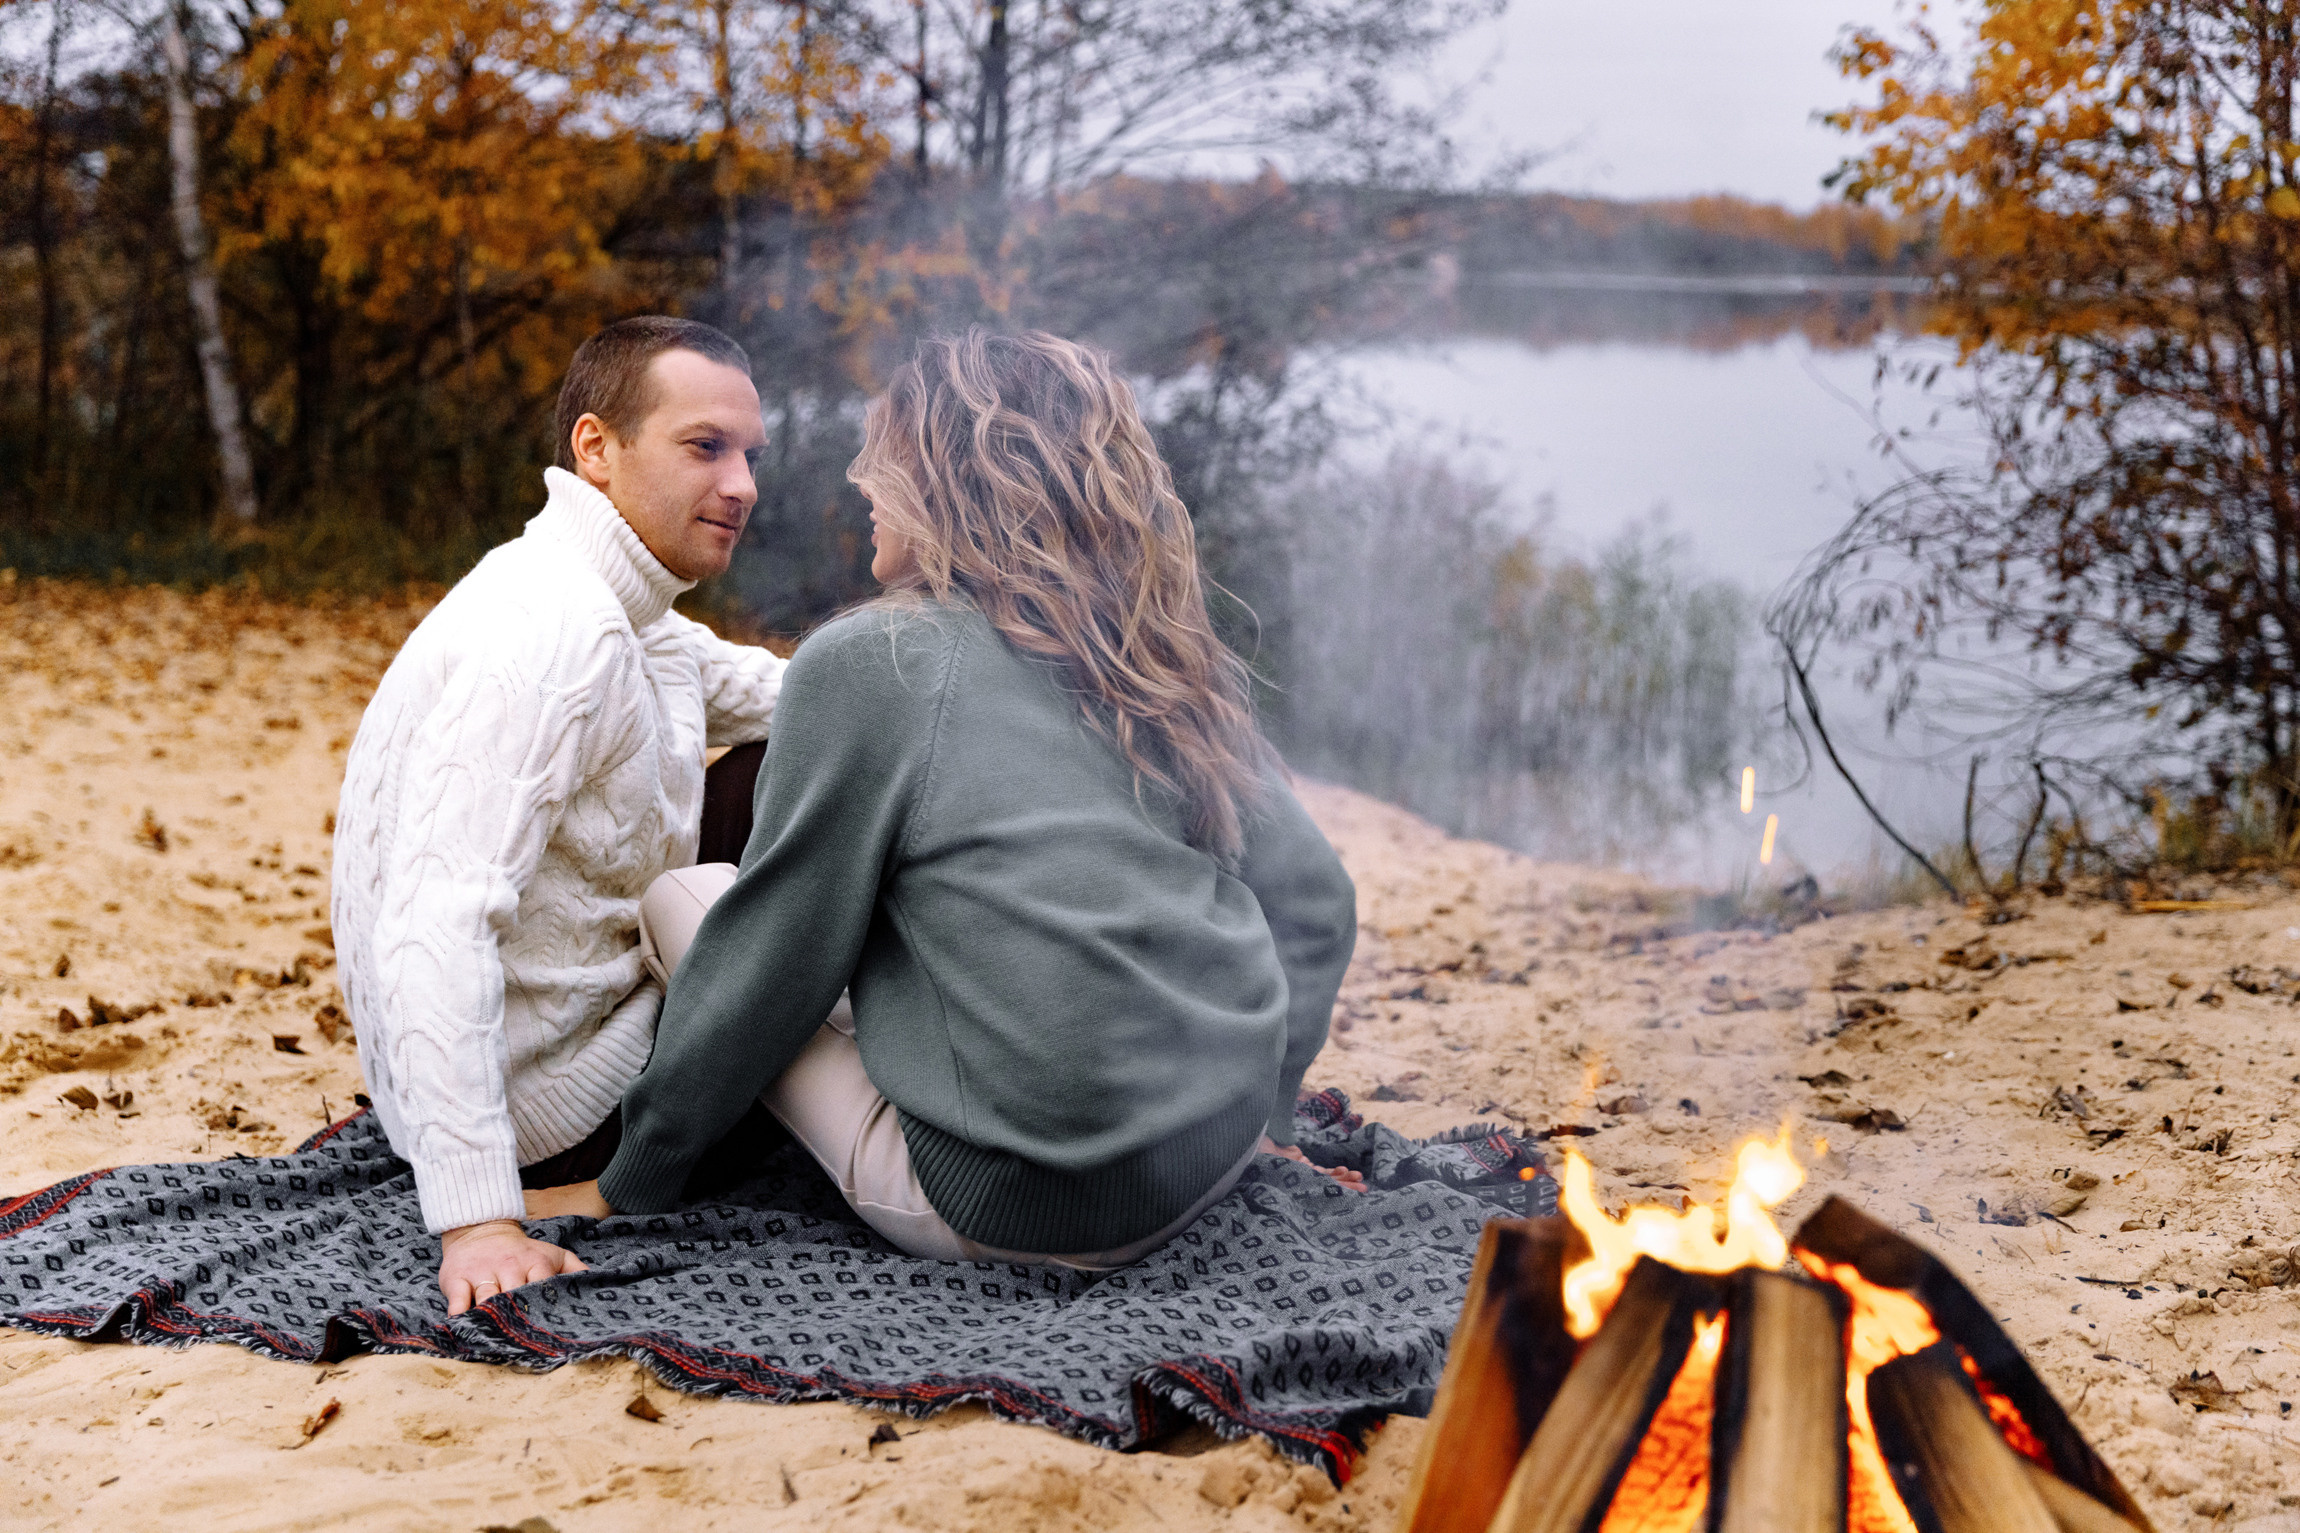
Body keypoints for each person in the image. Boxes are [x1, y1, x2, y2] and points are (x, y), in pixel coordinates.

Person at [533, 328, 1361, 1269]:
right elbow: (1316, 902)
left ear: (943, 482)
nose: (860, 480)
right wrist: (1273, 1115)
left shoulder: (875, 660)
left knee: (690, 903)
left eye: (883, 458)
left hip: (1026, 1208)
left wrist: (629, 1181)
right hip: (1209, 1153)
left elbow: (769, 963)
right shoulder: (1154, 653)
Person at [331, 316, 788, 1314]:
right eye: (703, 448)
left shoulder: (627, 611)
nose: (741, 485)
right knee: (796, 810)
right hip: (554, 1112)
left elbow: (793, 698)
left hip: (562, 1044)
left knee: (798, 764)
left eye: (750, 454)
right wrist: (480, 1221)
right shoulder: (553, 634)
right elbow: (434, 920)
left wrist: (969, 676)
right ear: (596, 448)